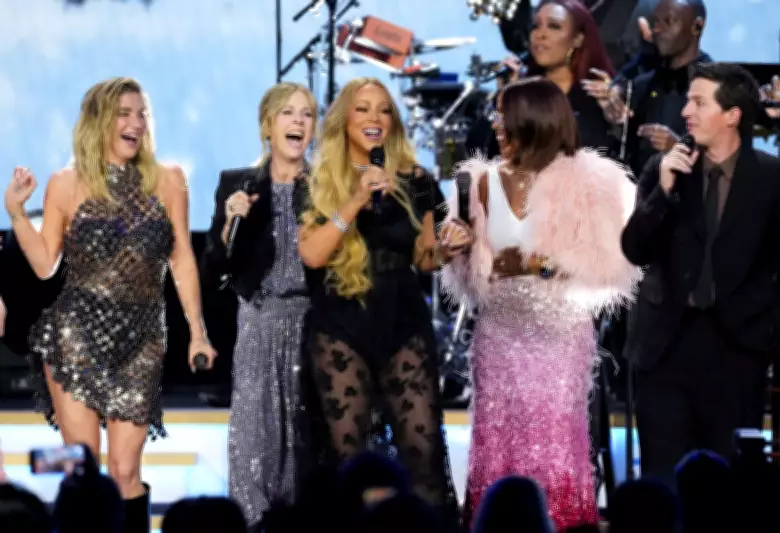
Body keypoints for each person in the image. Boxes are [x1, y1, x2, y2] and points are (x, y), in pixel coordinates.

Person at [4, 77, 216, 531]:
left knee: (124, 471)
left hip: (141, 340)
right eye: (124, 114)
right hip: (75, 336)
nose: (136, 123)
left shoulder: (168, 180)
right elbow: (44, 265)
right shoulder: (65, 183)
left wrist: (197, 332)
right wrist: (17, 214)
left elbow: (181, 258)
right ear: (99, 121)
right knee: (84, 470)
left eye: (142, 114)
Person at [439, 77, 641, 531]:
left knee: (552, 441)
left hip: (558, 335)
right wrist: (458, 251)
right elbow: (468, 276)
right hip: (499, 333)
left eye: (503, 115)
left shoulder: (589, 181)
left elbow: (608, 264)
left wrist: (539, 264)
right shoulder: (480, 181)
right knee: (499, 440)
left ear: (533, 120)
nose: (495, 125)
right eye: (495, 115)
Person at [621, 62, 780, 484]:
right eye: (688, 101)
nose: (686, 111)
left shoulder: (777, 178)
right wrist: (663, 191)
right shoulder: (665, 169)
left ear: (732, 115)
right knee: (663, 482)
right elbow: (634, 249)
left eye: (699, 103)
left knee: (726, 488)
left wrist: (768, 332)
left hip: (737, 351)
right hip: (665, 348)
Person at [296, 76, 459, 529]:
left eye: (384, 110)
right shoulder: (316, 181)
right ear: (344, 120)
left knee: (422, 449)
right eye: (363, 108)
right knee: (348, 456)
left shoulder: (417, 181)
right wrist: (354, 200)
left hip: (402, 320)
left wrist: (446, 248)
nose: (374, 118)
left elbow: (426, 259)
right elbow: (312, 254)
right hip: (341, 325)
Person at [200, 82, 320, 531]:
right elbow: (215, 268)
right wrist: (230, 222)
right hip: (258, 321)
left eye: (307, 114)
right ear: (267, 125)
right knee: (256, 442)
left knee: (306, 445)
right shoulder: (239, 184)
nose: (298, 121)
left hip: (312, 326)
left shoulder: (326, 187)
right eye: (288, 112)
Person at [469, 0, 622, 158]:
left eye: (554, 26)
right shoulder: (521, 94)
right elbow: (478, 147)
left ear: (578, 38)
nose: (540, 34)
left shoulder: (598, 96)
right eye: (535, 26)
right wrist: (503, 103)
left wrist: (618, 121)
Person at [620, 0, 711, 177]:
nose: (657, 29)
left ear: (697, 27)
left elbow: (729, 163)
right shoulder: (642, 85)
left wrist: (679, 148)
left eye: (669, 21)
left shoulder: (719, 87)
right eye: (655, 22)